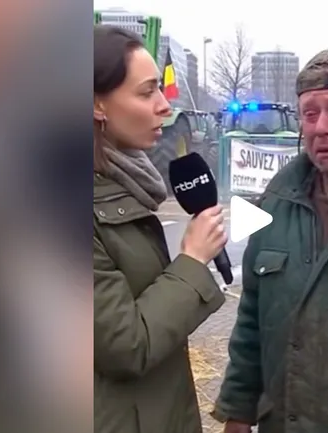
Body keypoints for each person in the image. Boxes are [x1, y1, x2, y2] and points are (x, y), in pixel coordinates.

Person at [213, 46, 328, 433]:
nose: (320, 128)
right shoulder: (277, 202)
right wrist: (238, 411)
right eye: (310, 114)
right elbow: (251, 319)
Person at [93, 25, 228, 433]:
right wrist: (191, 261)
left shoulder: (123, 184)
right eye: (146, 92)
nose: (164, 107)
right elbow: (125, 346)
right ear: (97, 104)